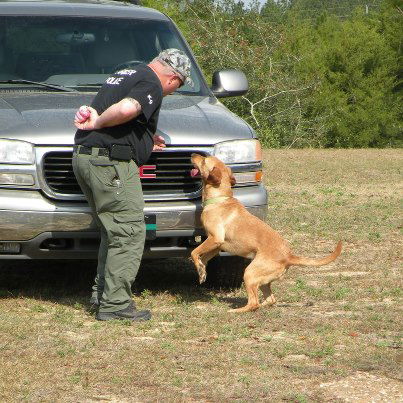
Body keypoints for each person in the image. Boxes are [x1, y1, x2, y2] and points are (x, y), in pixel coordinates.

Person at [72, 49, 193, 321]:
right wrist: (98, 123)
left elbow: (125, 116)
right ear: (173, 79)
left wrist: (148, 137)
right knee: (129, 232)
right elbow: (127, 108)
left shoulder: (128, 72)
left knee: (113, 231)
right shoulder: (152, 82)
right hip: (111, 164)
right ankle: (115, 306)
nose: (172, 91)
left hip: (87, 159)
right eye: (177, 87)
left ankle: (102, 294)